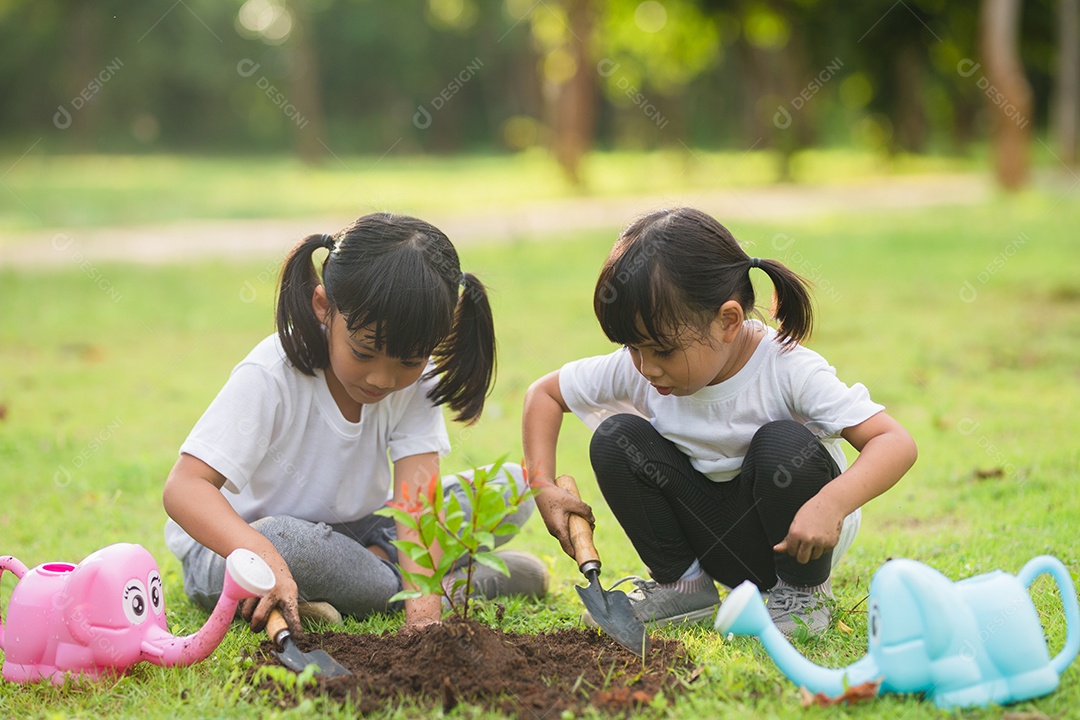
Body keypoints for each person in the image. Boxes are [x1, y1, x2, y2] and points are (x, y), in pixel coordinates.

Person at [522, 207, 916, 636]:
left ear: (728, 321)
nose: (646, 368)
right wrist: (543, 486)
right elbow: (543, 394)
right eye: (633, 348)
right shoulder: (643, 368)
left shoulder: (787, 368)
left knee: (782, 443)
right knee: (616, 437)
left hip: (797, 543)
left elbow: (894, 442)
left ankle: (803, 596)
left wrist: (833, 504)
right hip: (716, 542)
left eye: (662, 350)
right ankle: (683, 586)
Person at [163, 212, 547, 637]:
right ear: (323, 307)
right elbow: (184, 488)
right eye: (363, 352)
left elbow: (417, 507)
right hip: (236, 544)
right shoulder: (271, 374)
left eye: (409, 361)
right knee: (287, 542)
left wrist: (423, 620)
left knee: (513, 487)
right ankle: (459, 583)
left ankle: (371, 581)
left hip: (363, 530)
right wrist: (263, 552)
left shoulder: (419, 381)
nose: (382, 379)